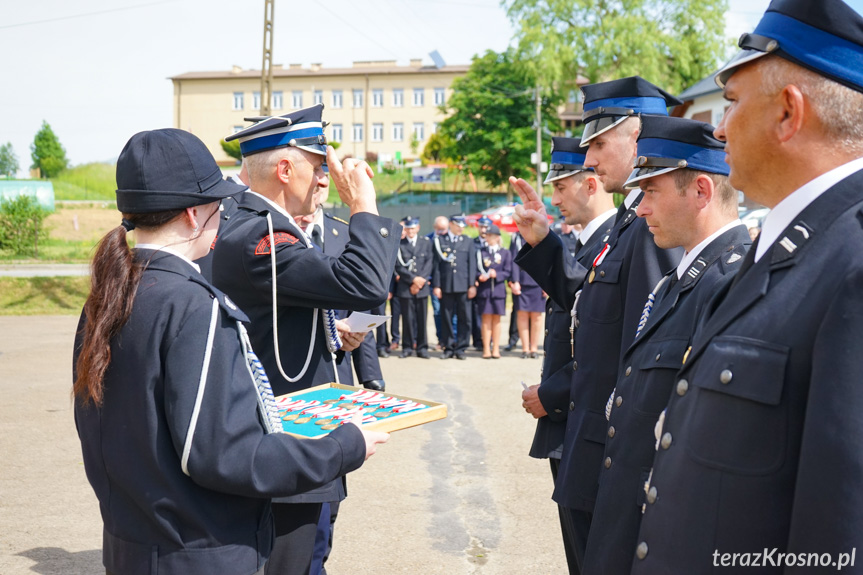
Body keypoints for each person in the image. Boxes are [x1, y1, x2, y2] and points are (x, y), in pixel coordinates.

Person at [72, 128, 388, 575]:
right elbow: (225, 455)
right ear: (194, 213)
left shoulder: (109, 295)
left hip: (134, 544)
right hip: (200, 550)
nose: (227, 213)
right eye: (219, 204)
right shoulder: (192, 304)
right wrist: (343, 446)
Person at [632, 1, 863, 572]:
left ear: (788, 112)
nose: (718, 127)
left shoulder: (852, 261)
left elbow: (838, 541)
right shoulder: (789, 247)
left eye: (732, 103)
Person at [212, 104, 399, 575]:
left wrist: (330, 332)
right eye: (317, 168)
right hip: (284, 439)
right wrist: (364, 206)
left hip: (296, 431)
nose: (324, 181)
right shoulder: (263, 234)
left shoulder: (266, 227)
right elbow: (365, 286)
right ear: (283, 169)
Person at [511, 76, 683, 572]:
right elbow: (590, 307)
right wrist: (544, 242)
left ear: (637, 137)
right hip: (591, 444)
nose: (588, 160)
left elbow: (642, 352)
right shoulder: (631, 223)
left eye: (599, 144)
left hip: (610, 450)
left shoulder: (650, 228)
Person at [583, 116, 750, 575]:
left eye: (651, 192)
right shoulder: (678, 282)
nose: (639, 209)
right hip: (627, 521)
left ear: (700, 191)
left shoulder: (732, 283)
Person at [521, 136, 617, 574]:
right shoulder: (586, 244)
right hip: (570, 420)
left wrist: (554, 391)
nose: (554, 197)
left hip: (587, 416)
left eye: (561, 187)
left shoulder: (627, 239)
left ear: (591, 185)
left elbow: (613, 342)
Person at [432, 214, 477, 359]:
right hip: (447, 285)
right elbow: (437, 265)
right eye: (458, 225)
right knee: (446, 317)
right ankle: (449, 347)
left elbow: (472, 265)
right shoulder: (441, 240)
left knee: (465, 318)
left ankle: (461, 348)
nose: (460, 229)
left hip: (464, 285)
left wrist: (472, 285)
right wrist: (437, 285)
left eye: (462, 226)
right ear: (451, 224)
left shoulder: (467, 241)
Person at [395, 216, 433, 358]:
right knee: (407, 319)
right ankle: (407, 347)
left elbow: (429, 262)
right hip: (406, 287)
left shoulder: (426, 243)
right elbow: (398, 265)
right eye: (408, 228)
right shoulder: (400, 244)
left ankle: (422, 347)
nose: (410, 231)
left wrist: (420, 281)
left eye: (413, 228)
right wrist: (413, 280)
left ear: (418, 228)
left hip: (422, 287)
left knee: (422, 319)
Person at [474, 224, 512, 358]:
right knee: (485, 320)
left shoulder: (505, 252)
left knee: (496, 320)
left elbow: (508, 271)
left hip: (498, 291)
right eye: (486, 235)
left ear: (497, 237)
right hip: (484, 291)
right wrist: (479, 276)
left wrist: (498, 274)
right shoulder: (481, 252)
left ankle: (495, 348)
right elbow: (476, 269)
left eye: (490, 235)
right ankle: (486, 349)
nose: (487, 238)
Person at [508, 230, 545, 358]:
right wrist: (515, 280)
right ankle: (525, 348)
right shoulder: (517, 237)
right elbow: (513, 260)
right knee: (522, 315)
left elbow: (547, 260)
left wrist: (547, 283)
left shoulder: (542, 234)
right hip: (522, 281)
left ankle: (533, 348)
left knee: (537, 316)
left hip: (538, 282)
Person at [428, 215, 450, 348]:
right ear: (435, 227)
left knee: (450, 312)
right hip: (433, 283)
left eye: (444, 229)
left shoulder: (450, 239)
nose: (442, 231)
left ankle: (451, 339)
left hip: (448, 282)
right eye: (439, 229)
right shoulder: (428, 239)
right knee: (437, 311)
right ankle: (441, 339)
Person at [472, 215, 492, 350]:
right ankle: (478, 341)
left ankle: (489, 341)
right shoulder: (472, 243)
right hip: (477, 283)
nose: (484, 229)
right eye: (482, 226)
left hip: (491, 284)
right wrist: (474, 279)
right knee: (476, 313)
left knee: (490, 313)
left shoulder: (495, 243)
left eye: (486, 226)